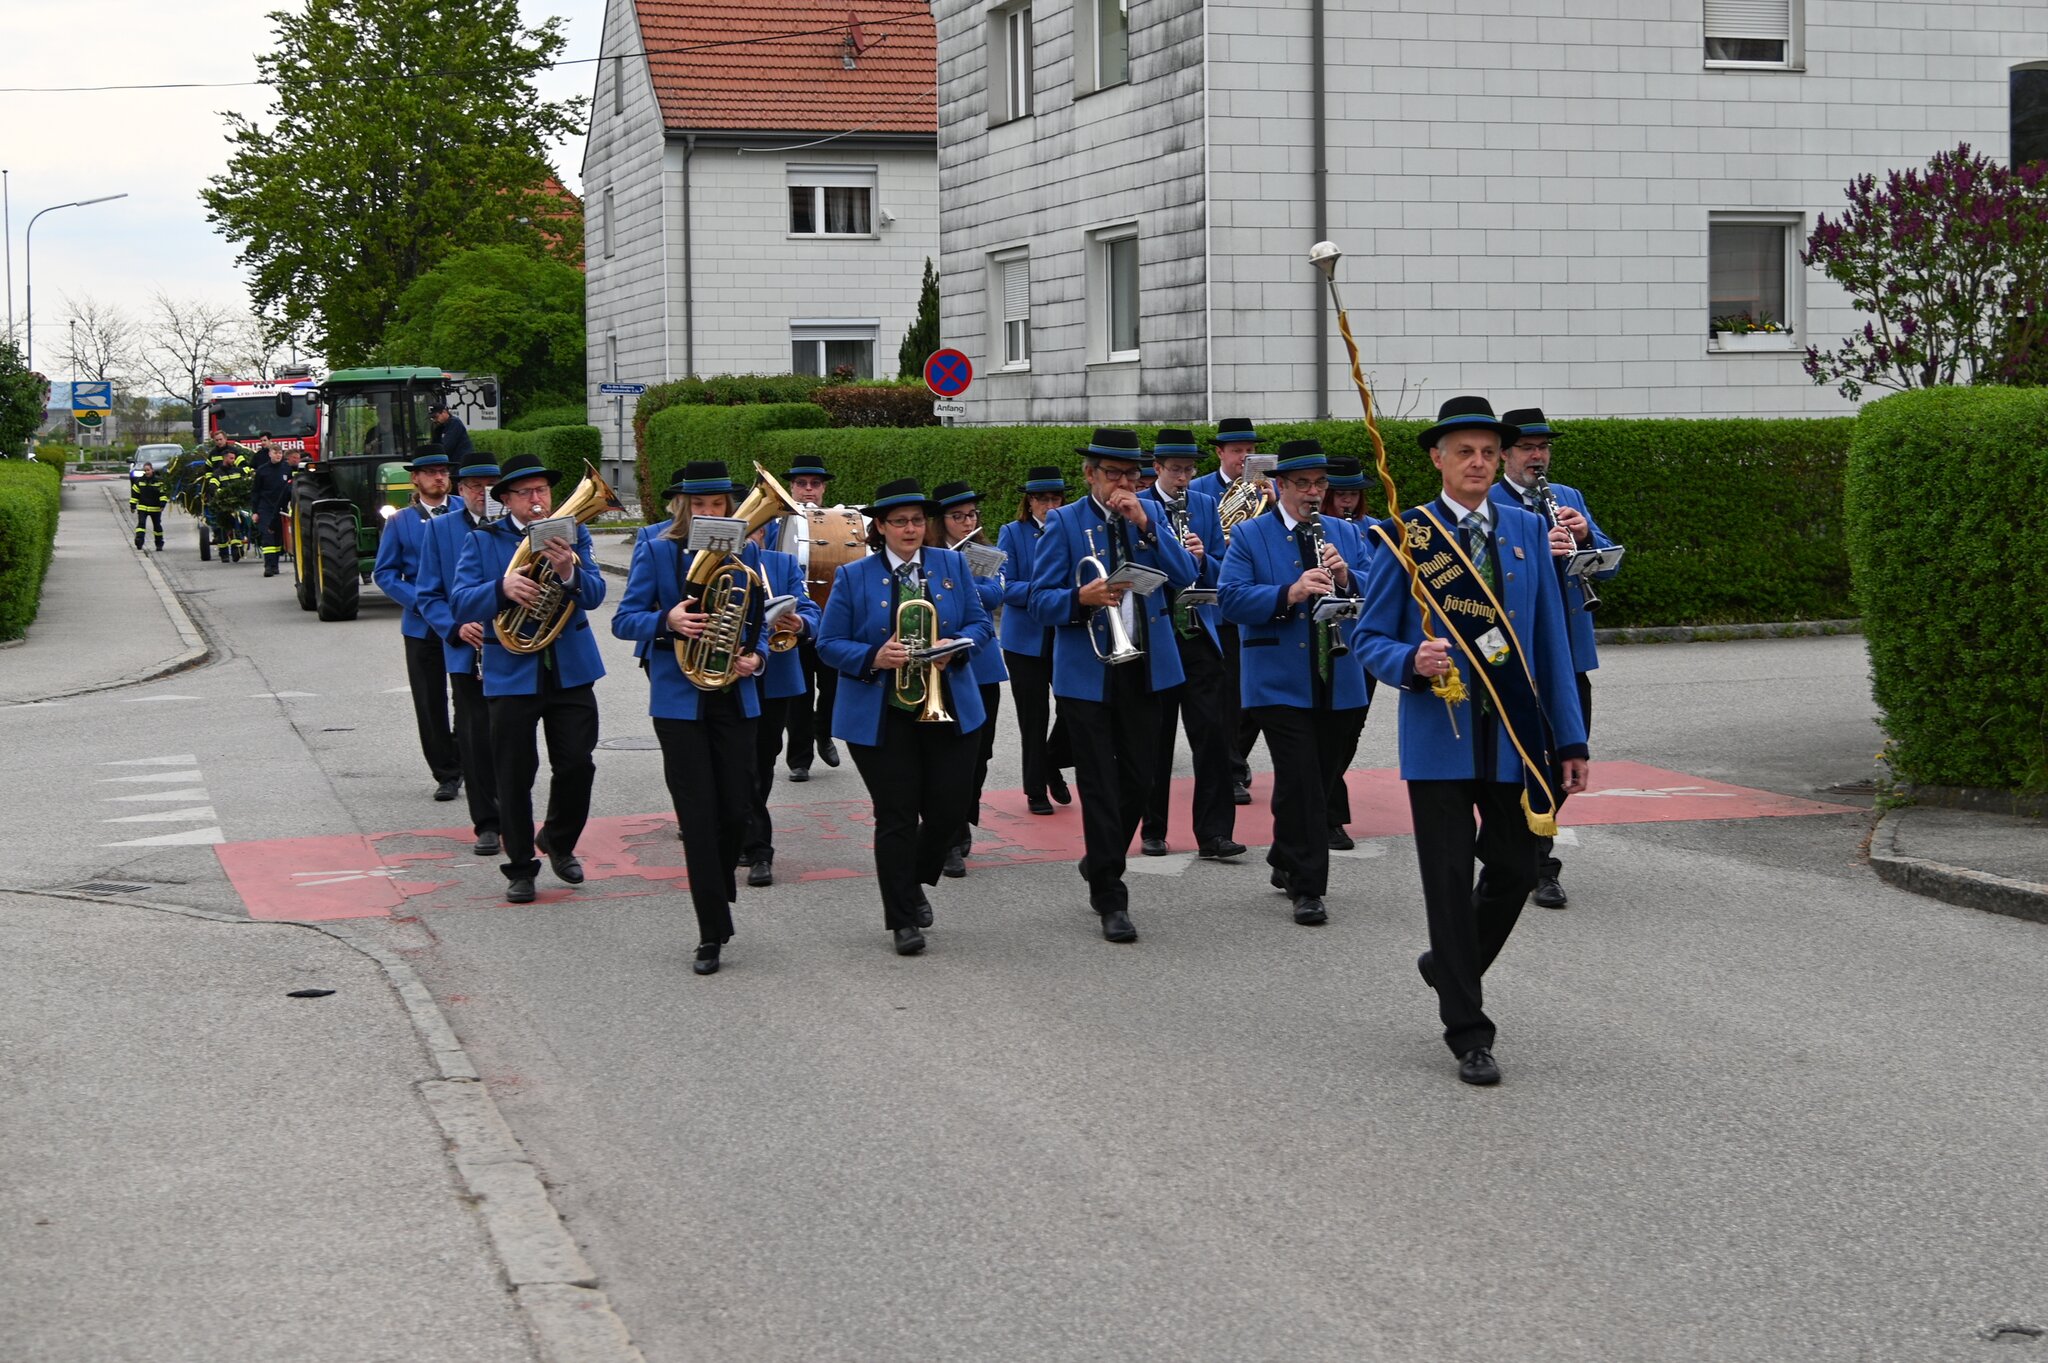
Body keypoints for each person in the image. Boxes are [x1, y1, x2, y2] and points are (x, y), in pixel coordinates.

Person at [1355, 396, 1589, 1086]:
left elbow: (1552, 645)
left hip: (1514, 738)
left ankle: (1448, 966)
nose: (1479, 463)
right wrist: (1410, 663)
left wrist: (1569, 740)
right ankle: (1469, 1030)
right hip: (1441, 739)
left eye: (1489, 452)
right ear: (1438, 459)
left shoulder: (1524, 530)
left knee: (1518, 868)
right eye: (1465, 451)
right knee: (1450, 883)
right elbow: (1367, 636)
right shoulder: (1409, 536)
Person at [1027, 430, 1199, 944]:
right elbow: (1038, 601)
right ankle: (1111, 893)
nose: (1123, 484)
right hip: (1089, 672)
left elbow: (1186, 573)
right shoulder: (1063, 521)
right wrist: (1079, 596)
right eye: (1112, 475)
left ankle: (1099, 858)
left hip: (1148, 665)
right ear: (1090, 475)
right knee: (1100, 783)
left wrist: (1147, 524)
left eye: (1131, 475)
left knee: (1144, 780)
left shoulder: (1151, 516)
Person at [817, 479, 994, 956]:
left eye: (917, 520)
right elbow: (828, 643)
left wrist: (952, 649)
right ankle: (901, 919)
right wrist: (874, 656)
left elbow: (980, 625)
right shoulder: (854, 576)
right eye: (899, 522)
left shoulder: (953, 564)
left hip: (948, 708)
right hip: (883, 714)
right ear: (881, 527)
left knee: (949, 810)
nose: (910, 529)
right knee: (894, 816)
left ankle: (912, 878)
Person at [612, 460, 767, 974]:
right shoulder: (658, 550)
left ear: (729, 507)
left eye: (717, 505)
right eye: (698, 505)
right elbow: (623, 619)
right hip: (680, 700)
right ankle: (709, 931)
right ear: (682, 506)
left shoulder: (747, 552)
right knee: (697, 816)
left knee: (736, 808)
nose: (708, 512)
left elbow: (759, 622)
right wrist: (667, 619)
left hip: (734, 696)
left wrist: (757, 657)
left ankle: (718, 888)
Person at [1217, 439, 1373, 926]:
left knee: (1318, 779)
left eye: (1319, 484)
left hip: (1341, 677)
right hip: (1278, 681)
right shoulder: (1250, 536)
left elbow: (1383, 589)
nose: (1312, 493)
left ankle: (1285, 857)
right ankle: (1309, 887)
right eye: (1302, 484)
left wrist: (1348, 578)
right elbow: (1231, 600)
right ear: (1279, 486)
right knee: (1303, 779)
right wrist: (1291, 591)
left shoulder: (1344, 534)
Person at [452, 452, 608, 906]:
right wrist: (501, 589)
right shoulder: (484, 541)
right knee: (514, 774)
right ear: (506, 500)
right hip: (511, 673)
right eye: (526, 493)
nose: (537, 500)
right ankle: (520, 866)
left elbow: (595, 596)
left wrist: (567, 571)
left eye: (542, 491)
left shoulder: (575, 534)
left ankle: (558, 839)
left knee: (578, 764)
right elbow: (461, 603)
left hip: (571, 671)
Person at [1492, 408, 1618, 910]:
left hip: (1569, 649)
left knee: (1569, 751)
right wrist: (1538, 552)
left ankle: (1525, 847)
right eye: (1527, 447)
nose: (1537, 456)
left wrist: (1586, 538)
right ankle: (1539, 866)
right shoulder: (1490, 503)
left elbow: (1607, 565)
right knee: (1521, 759)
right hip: (1514, 652)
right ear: (1505, 453)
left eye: (1543, 447)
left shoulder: (1566, 497)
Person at [1138, 430, 1245, 861]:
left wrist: (1203, 559)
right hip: (1160, 634)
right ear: (1158, 468)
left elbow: (1226, 568)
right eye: (1175, 469)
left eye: (1188, 470)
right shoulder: (1140, 507)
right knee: (1155, 738)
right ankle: (1153, 828)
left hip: (1200, 633)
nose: (1183, 477)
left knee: (1213, 738)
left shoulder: (1204, 506)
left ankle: (1215, 834)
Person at [413, 457, 503, 858]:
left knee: (514, 742)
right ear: (460, 490)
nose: (482, 493)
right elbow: (428, 593)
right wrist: (454, 627)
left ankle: (516, 814)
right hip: (467, 652)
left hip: (518, 650)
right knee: (474, 738)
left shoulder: (514, 528)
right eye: (474, 486)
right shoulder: (438, 530)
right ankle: (487, 823)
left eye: (490, 485)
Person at [374, 451, 464, 802]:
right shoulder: (400, 522)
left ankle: (467, 756)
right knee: (430, 701)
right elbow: (384, 573)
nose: (439, 478)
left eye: (443, 472)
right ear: (416, 480)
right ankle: (446, 772)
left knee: (470, 697)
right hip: (422, 626)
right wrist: (420, 601)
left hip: (464, 619)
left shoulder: (465, 511)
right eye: (430, 473)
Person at [929, 480, 1008, 878]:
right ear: (939, 520)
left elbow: (994, 597)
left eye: (971, 515)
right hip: (939, 664)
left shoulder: (983, 553)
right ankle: (950, 832)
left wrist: (964, 579)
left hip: (982, 664)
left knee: (982, 752)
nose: (966, 522)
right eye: (957, 516)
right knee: (949, 754)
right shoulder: (926, 556)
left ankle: (962, 813)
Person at [741, 518, 821, 889]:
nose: (753, 539)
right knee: (738, 761)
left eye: (758, 531)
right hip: (733, 671)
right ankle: (755, 842)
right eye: (747, 532)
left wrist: (800, 622)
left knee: (763, 756)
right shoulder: (711, 563)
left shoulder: (783, 564)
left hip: (775, 674)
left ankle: (749, 829)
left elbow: (813, 613)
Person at [1192, 417, 1266, 807]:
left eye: (1250, 450)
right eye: (1237, 450)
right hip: (1216, 604)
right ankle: (1231, 768)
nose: (1245, 457)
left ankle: (1234, 756)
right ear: (1220, 452)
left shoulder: (1267, 492)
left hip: (1255, 602)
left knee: (1250, 696)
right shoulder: (1201, 489)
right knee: (1224, 694)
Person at [996, 467, 1074, 815]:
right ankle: (1034, 789)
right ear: (1029, 502)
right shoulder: (1011, 533)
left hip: (1064, 634)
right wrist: (1044, 592)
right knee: (1033, 717)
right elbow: (1004, 585)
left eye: (1055, 498)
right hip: (1024, 640)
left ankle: (1049, 764)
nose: (1049, 504)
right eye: (1041, 499)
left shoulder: (1071, 529)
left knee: (1073, 708)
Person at [768, 455, 843, 782]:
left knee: (833, 686)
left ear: (824, 488)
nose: (808, 490)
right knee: (798, 693)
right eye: (801, 484)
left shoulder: (839, 521)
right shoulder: (773, 523)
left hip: (829, 618)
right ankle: (799, 759)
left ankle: (822, 730)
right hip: (791, 620)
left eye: (815, 484)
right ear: (791, 488)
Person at [1319, 452, 1377, 849]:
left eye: (1353, 495)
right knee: (1322, 734)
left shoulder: (1372, 529)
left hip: (1360, 642)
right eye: (1339, 494)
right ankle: (1327, 815)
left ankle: (1320, 805)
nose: (1347, 502)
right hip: (1313, 641)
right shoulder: (1314, 529)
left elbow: (1381, 581)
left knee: (1349, 731)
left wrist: (1346, 575)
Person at [250, 439, 291, 577]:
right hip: (265, 507)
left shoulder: (287, 468)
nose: (278, 455)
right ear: (269, 454)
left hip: (281, 508)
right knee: (268, 536)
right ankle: (268, 566)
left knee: (279, 538)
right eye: (275, 453)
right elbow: (255, 492)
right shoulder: (262, 470)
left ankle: (275, 565)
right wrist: (255, 511)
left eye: (280, 453)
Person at [131, 463, 166, 551]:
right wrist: (133, 505)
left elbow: (163, 494)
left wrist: (162, 504)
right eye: (145, 470)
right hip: (143, 508)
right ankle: (139, 541)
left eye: (148, 470)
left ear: (152, 470)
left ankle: (159, 544)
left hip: (155, 508)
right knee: (141, 525)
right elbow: (135, 494)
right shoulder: (140, 481)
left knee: (157, 526)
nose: (146, 472)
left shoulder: (158, 481)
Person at [429, 399, 474, 464]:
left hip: (461, 464)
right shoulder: (440, 427)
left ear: (444, 412)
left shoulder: (454, 423)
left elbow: (445, 447)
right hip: (452, 463)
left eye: (436, 417)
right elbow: (434, 445)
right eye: (432, 418)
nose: (434, 420)